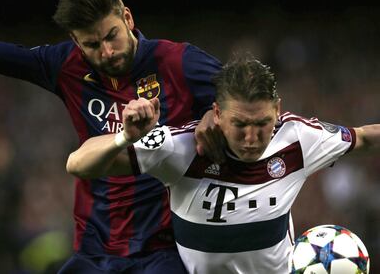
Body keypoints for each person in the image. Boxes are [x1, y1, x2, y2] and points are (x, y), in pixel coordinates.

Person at [0, 0, 225, 272]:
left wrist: (213, 112)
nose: (108, 52)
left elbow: (248, 95)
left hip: (164, 247)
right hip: (95, 248)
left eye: (111, 36)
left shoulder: (178, 61)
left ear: (127, 18)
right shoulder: (66, 65)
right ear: (76, 42)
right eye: (92, 45)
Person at [66, 53, 380, 274]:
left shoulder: (298, 138)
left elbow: (364, 137)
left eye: (262, 123)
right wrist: (123, 138)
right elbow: (78, 163)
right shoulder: (179, 148)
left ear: (278, 110)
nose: (252, 137)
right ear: (216, 113)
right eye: (240, 124)